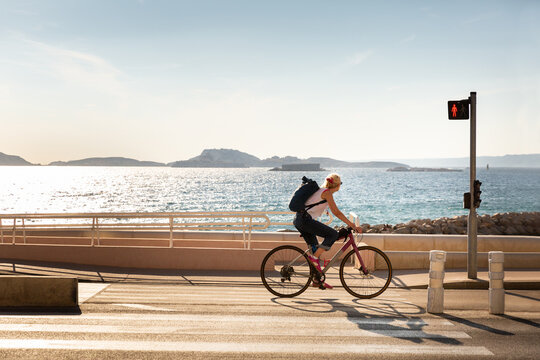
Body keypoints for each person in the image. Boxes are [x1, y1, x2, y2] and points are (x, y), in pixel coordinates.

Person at [292, 173, 363, 289]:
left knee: (315, 249)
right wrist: (352, 225)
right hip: (305, 221)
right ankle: (314, 259)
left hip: (300, 220)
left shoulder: (322, 190)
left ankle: (317, 280)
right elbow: (337, 212)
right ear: (337, 185)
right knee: (333, 234)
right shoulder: (327, 193)